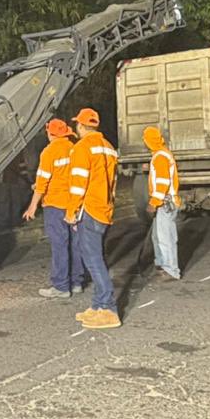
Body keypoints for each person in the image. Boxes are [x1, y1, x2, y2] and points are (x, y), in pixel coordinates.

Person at [68, 107, 120, 329]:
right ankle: (98, 305)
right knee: (96, 257)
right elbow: (113, 183)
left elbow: (78, 184)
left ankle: (108, 308)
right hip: (104, 208)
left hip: (89, 209)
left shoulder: (82, 147)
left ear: (81, 126)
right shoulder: (109, 148)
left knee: (92, 259)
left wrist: (71, 211)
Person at [22, 118, 84, 298]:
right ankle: (77, 282)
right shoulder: (74, 149)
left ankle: (61, 286)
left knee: (59, 245)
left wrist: (32, 206)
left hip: (55, 205)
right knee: (76, 243)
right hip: (73, 203)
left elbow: (42, 183)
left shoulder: (49, 152)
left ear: (50, 133)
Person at [144, 126, 182, 281]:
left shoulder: (160, 157)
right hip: (166, 202)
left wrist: (154, 203)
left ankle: (171, 270)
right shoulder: (162, 154)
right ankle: (161, 264)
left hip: (165, 203)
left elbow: (162, 183)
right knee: (158, 236)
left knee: (165, 238)